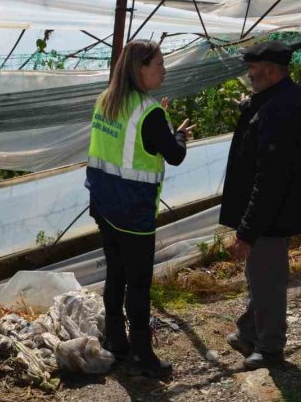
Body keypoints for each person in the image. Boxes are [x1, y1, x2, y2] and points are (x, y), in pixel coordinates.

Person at [85, 39, 193, 378]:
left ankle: (117, 342)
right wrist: (178, 135)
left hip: (104, 204)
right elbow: (174, 155)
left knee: (116, 273)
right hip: (133, 211)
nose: (164, 70)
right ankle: (144, 356)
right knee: (139, 284)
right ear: (140, 68)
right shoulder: (149, 113)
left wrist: (162, 127)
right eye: (159, 64)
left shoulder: (106, 100)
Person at [219, 40, 301, 370]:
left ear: (271, 71)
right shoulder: (282, 98)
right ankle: (249, 331)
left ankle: (271, 346)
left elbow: (270, 178)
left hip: (273, 214)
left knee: (267, 278)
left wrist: (247, 230)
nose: (248, 73)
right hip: (274, 210)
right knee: (260, 274)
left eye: (253, 69)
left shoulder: (281, 109)